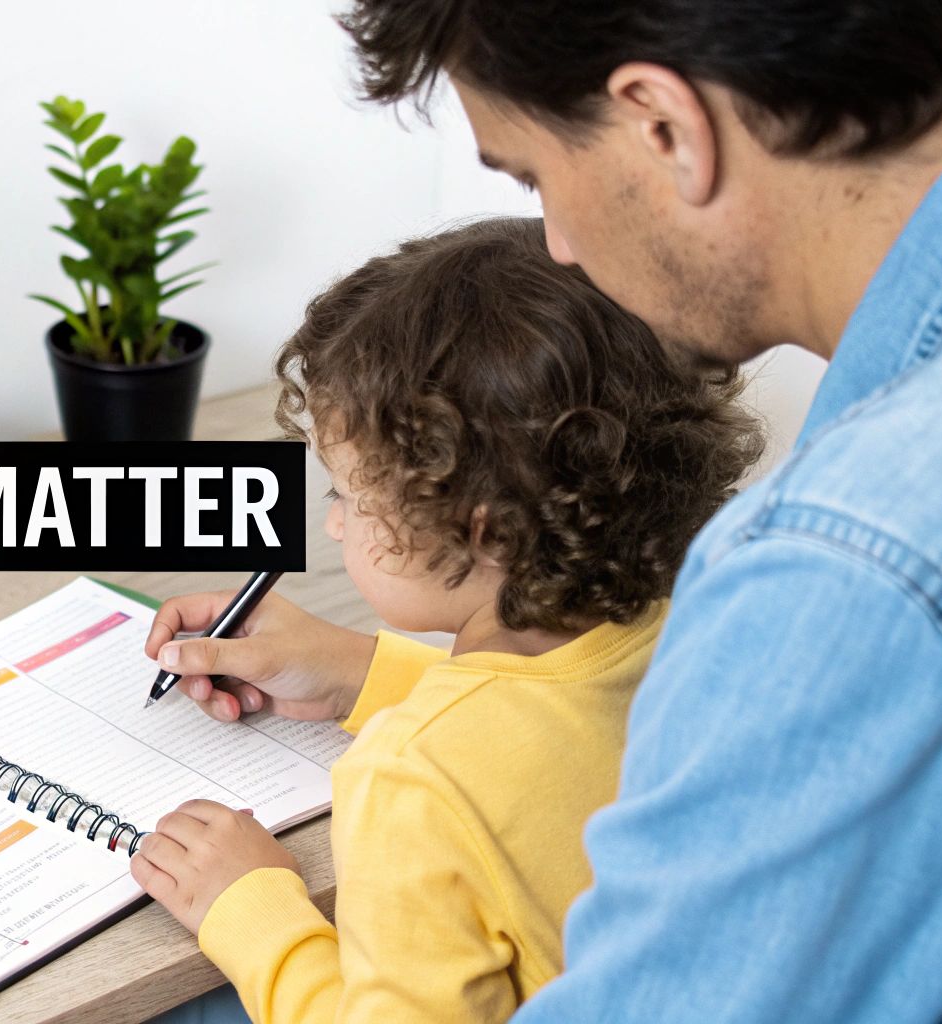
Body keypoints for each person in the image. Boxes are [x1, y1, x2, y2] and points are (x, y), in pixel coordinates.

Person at [159, 3, 942, 1020]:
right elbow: (594, 707)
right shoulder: (714, 594)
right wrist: (366, 670)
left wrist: (255, 919)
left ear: (661, 126)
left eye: (531, 177)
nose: (559, 245)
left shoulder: (835, 571)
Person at [133, 217, 761, 1022]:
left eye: (348, 497)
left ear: (484, 530)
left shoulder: (414, 782)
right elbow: (559, 720)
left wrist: (253, 911)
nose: (331, 526)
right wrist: (362, 670)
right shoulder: (697, 620)